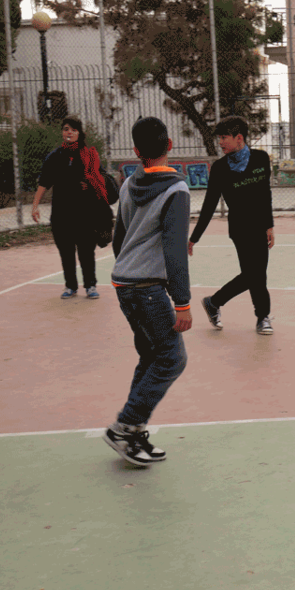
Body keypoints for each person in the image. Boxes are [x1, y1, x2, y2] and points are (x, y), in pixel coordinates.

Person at [104, 117, 192, 466]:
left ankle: (133, 431)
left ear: (137, 151)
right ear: (169, 145)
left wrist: (130, 269)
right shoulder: (176, 190)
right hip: (148, 290)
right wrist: (182, 302)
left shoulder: (127, 185)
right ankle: (124, 426)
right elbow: (174, 252)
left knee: (151, 356)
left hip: (124, 284)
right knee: (172, 358)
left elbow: (119, 240)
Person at [188, 116, 275, 335]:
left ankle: (214, 302)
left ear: (239, 138)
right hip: (239, 229)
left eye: (224, 137)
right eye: (219, 138)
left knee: (257, 274)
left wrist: (269, 225)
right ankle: (262, 317)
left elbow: (265, 194)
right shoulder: (219, 168)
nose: (220, 142)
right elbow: (209, 205)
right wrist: (194, 237)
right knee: (254, 274)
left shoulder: (261, 159)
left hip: (259, 227)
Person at [31, 115, 109, 300]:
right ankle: (70, 286)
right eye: (66, 129)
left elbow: (99, 179)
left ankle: (90, 285)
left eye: (73, 129)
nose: (69, 132)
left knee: (86, 251)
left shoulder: (88, 155)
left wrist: (89, 185)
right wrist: (35, 206)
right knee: (66, 252)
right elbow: (44, 182)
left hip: (85, 213)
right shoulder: (55, 156)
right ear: (62, 132)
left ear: (79, 133)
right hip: (61, 213)